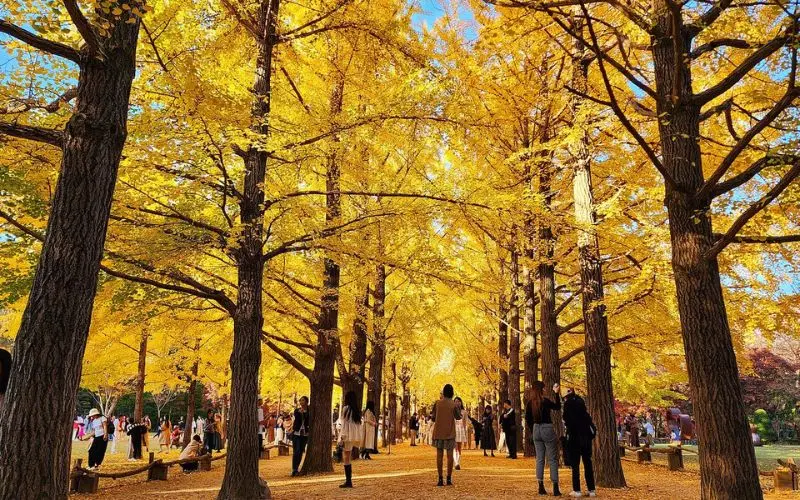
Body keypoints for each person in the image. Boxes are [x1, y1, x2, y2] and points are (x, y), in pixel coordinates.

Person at [526, 381, 562, 497]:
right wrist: (557, 393)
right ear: (541, 389)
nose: (545, 390)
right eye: (544, 388)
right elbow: (557, 407)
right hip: (547, 428)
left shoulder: (530, 403)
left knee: (540, 459)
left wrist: (533, 429)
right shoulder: (545, 401)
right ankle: (555, 487)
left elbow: (527, 418)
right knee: (552, 459)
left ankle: (540, 486)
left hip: (536, 429)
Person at [563, 389, 596, 498]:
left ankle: (577, 490)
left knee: (575, 465)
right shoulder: (583, 410)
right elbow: (591, 426)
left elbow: (567, 421)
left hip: (574, 438)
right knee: (588, 463)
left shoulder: (568, 406)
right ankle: (592, 489)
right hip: (586, 438)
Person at [431, 384, 462, 486]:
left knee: (439, 456)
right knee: (449, 456)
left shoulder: (437, 403)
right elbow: (458, 417)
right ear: (452, 392)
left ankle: (440, 479)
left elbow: (433, 417)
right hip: (450, 433)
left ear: (443, 392)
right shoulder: (453, 404)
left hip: (439, 432)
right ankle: (448, 478)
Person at [337, 391, 363, 488]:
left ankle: (348, 481)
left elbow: (344, 424)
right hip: (354, 436)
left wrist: (342, 437)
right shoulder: (356, 410)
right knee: (348, 456)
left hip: (347, 436)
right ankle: (348, 480)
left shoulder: (346, 409)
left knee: (346, 457)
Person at [291, 396, 310, 476]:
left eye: (303, 400)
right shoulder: (297, 410)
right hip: (297, 434)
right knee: (296, 451)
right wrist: (300, 413)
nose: (301, 402)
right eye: (300, 400)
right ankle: (294, 469)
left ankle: (297, 468)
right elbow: (297, 418)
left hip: (305, 434)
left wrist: (305, 413)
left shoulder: (309, 411)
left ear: (306, 402)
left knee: (301, 451)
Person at [454, 397, 469, 469]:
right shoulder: (451, 411)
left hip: (461, 430)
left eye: (459, 401)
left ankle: (458, 462)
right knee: (455, 447)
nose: (457, 403)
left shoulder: (464, 412)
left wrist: (465, 434)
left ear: (461, 402)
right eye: (456, 401)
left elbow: (465, 423)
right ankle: (456, 463)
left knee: (459, 448)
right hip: (454, 430)